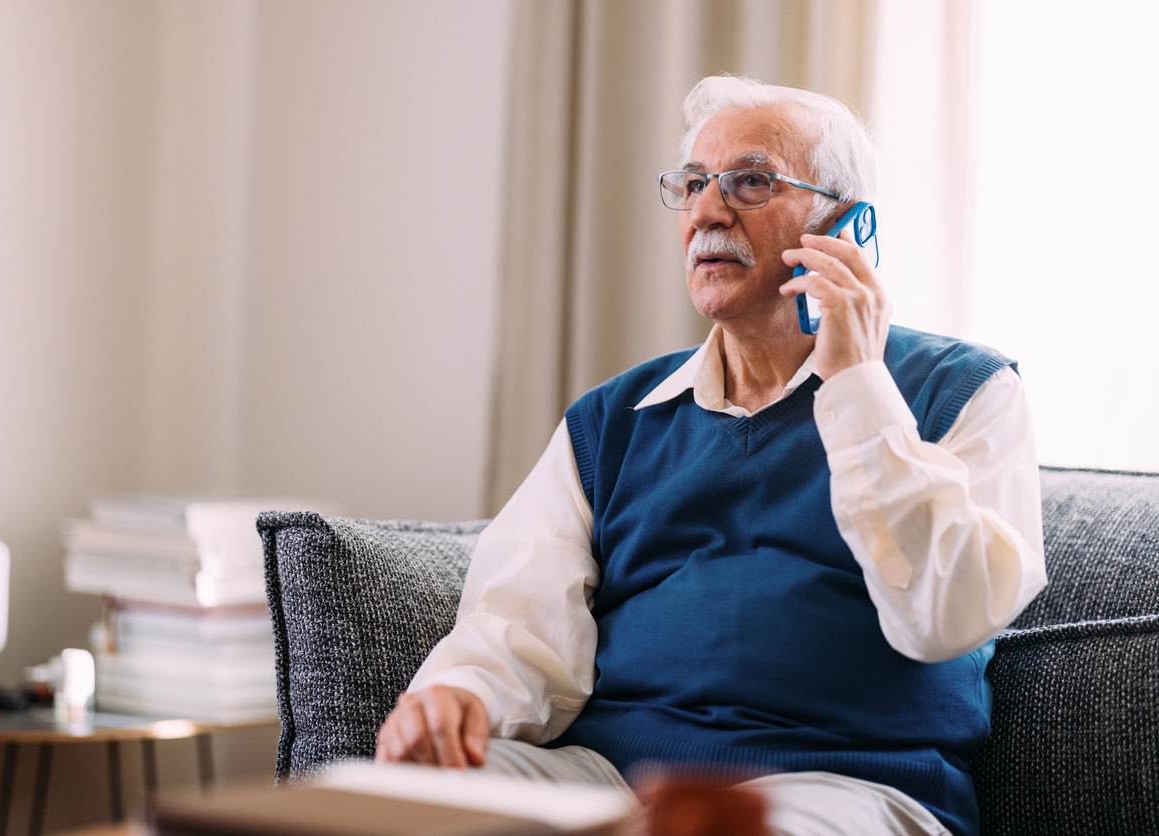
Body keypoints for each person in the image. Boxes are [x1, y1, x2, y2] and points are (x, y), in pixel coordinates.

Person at [374, 75, 1047, 836]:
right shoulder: (612, 421)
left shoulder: (964, 392)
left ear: (847, 227)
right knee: (402, 806)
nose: (705, 210)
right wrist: (460, 698)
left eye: (749, 181)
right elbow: (516, 624)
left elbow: (946, 616)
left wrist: (857, 381)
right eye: (693, 183)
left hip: (844, 789)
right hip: (610, 780)